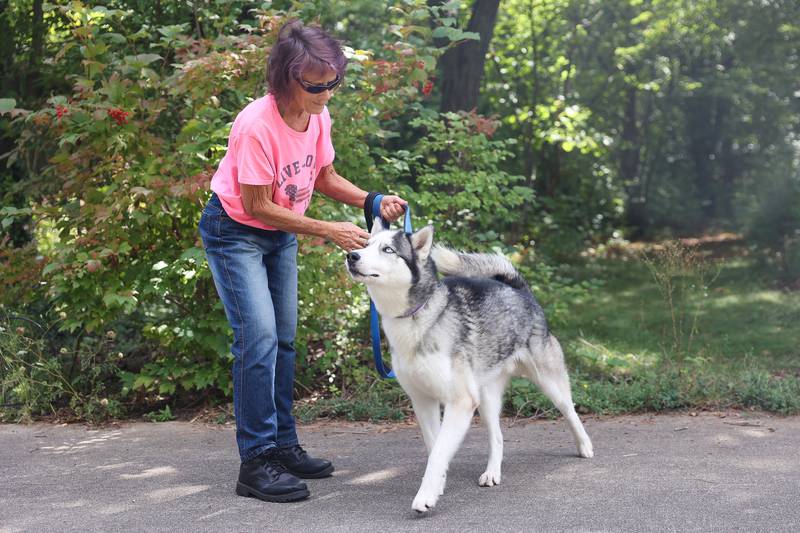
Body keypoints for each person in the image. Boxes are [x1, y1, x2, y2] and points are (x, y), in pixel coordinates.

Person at [198, 20, 407, 503]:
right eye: (316, 84)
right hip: (236, 232)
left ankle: (284, 446)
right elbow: (256, 205)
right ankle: (256, 463)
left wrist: (371, 199)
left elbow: (324, 175)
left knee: (285, 341)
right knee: (259, 339)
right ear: (286, 78)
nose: (327, 93)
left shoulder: (318, 117)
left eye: (334, 82)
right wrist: (328, 229)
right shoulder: (255, 125)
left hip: (280, 233)